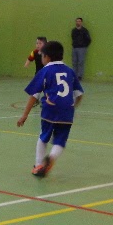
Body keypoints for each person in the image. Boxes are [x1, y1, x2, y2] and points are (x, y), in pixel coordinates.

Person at [17, 41, 84, 177]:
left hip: (50, 109)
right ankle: (52, 157)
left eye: (41, 56)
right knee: (60, 140)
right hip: (67, 111)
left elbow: (34, 95)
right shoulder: (70, 71)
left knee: (43, 137)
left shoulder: (45, 71)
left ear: (47, 57)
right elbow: (79, 94)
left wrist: (24, 115)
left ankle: (38, 165)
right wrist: (72, 107)